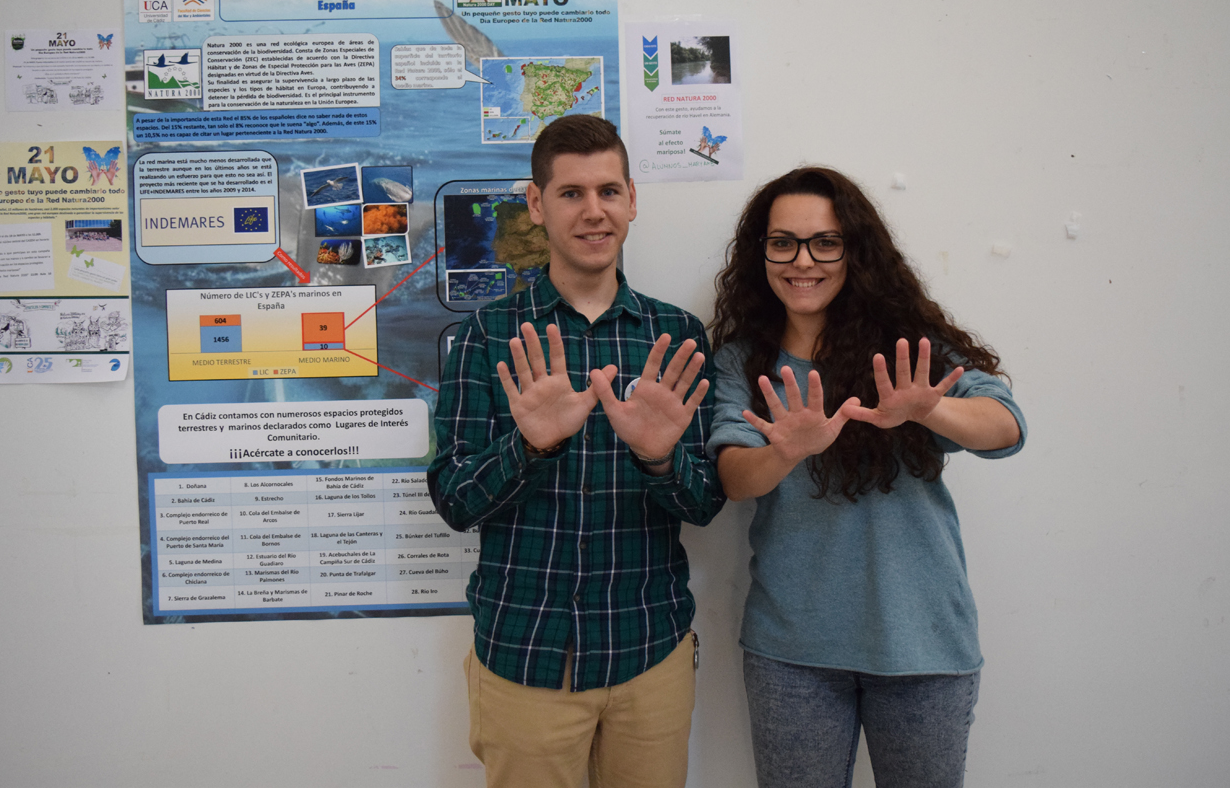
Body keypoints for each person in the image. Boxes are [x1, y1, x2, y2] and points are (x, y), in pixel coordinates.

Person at [428, 115, 725, 788]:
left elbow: (706, 501)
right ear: (535, 204)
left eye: (609, 191)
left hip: (648, 653)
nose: (594, 211)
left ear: (632, 200)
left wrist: (659, 458)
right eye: (570, 194)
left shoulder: (675, 335)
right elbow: (453, 498)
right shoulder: (489, 334)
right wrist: (530, 446)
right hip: (525, 655)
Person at [706, 167, 1026, 788]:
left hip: (922, 643)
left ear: (856, 251)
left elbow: (1006, 426)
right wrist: (787, 451)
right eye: (783, 243)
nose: (804, 261)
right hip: (792, 651)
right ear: (761, 253)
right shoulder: (744, 360)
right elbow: (735, 478)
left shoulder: (908, 350)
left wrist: (930, 408)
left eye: (826, 242)